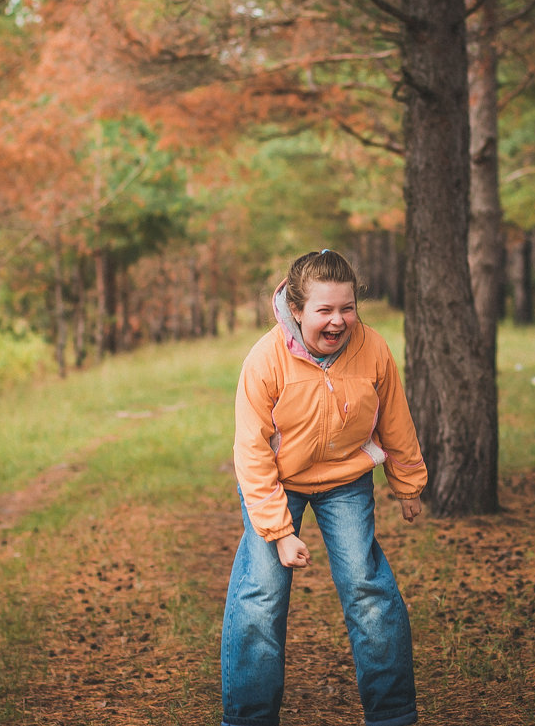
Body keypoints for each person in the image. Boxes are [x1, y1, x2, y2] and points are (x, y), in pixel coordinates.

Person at [221, 249, 428, 726]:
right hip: (278, 482)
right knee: (261, 595)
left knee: (366, 586)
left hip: (345, 479)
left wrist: (407, 482)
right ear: (296, 311)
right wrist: (278, 531)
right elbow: (250, 454)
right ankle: (249, 717)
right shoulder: (265, 360)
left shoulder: (372, 349)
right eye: (325, 310)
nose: (339, 321)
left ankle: (393, 714)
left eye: (347, 308)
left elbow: (395, 420)